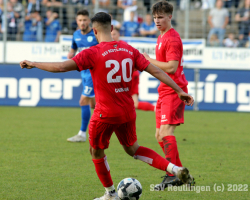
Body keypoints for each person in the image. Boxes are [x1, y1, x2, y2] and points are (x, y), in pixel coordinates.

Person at [20, 12, 194, 200]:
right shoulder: (129, 49)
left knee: (96, 151)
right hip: (127, 111)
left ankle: (110, 193)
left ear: (94, 31)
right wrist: (179, 90)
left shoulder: (92, 53)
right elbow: (156, 70)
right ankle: (174, 168)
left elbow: (62, 67)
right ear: (111, 28)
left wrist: (34, 63)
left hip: (105, 114)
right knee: (133, 149)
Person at [143, 1, 191, 190]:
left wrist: (149, 61)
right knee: (158, 135)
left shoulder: (172, 38)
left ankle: (172, 175)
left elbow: (171, 66)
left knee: (165, 133)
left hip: (174, 90)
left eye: (161, 17)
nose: (157, 20)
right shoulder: (161, 36)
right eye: (155, 17)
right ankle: (180, 174)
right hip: (164, 90)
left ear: (170, 16)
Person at [66, 9, 98, 142]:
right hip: (83, 73)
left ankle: (82, 134)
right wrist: (71, 53)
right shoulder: (76, 34)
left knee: (83, 101)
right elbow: (74, 46)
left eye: (85, 20)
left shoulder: (96, 35)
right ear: (76, 21)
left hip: (93, 74)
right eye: (80, 20)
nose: (82, 22)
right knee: (94, 105)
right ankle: (111, 125)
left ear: (89, 21)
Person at [111, 27, 155, 111]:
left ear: (119, 35)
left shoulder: (124, 46)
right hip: (121, 76)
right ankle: (156, 108)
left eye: (114, 34)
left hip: (130, 76)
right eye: (111, 35)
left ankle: (156, 108)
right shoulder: (110, 47)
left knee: (133, 104)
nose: (112, 36)